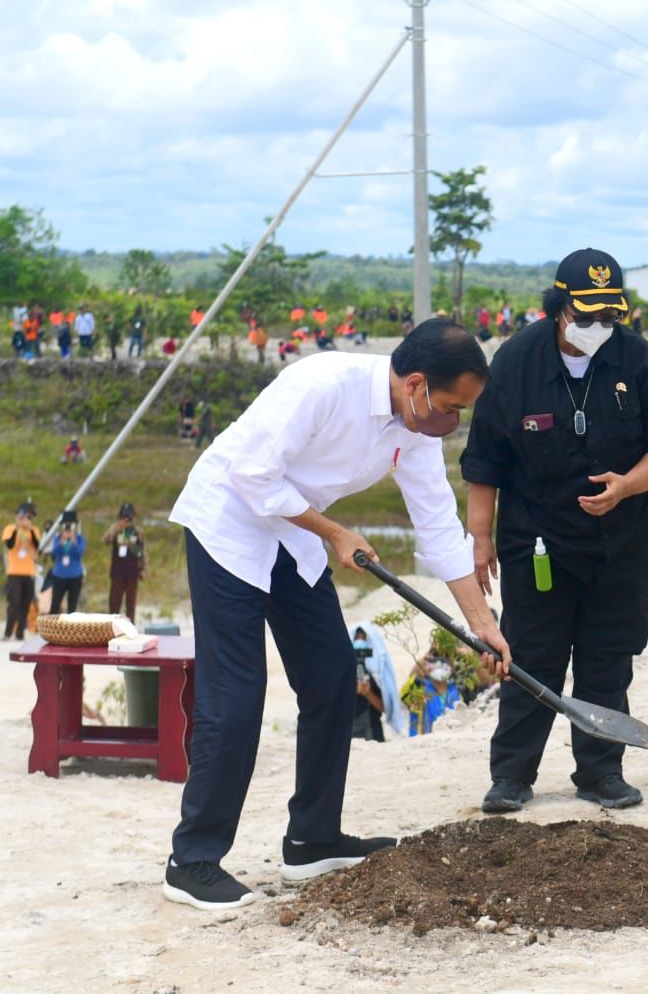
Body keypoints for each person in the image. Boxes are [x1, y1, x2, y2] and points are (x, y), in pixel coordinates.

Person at [161, 318, 508, 911]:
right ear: (417, 383)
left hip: (291, 538)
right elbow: (251, 474)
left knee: (329, 680)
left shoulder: (417, 427)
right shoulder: (322, 384)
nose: (453, 423)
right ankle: (192, 861)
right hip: (229, 527)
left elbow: (438, 526)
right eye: (451, 407)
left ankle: (312, 839)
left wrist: (484, 625)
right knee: (236, 697)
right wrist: (333, 531)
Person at [462, 248, 648, 815]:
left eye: (609, 318)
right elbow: (484, 460)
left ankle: (601, 772)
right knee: (532, 656)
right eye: (585, 317)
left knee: (607, 659)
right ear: (559, 308)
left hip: (624, 542)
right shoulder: (513, 364)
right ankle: (512, 775)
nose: (597, 330)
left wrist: (627, 486)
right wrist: (481, 538)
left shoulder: (635, 359)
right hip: (538, 543)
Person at [1, 502, 41, 643]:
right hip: (14, 571)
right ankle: (8, 632)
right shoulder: (10, 529)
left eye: (31, 517)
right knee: (14, 602)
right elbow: (10, 544)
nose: (28, 519)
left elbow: (37, 545)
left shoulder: (34, 530)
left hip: (29, 571)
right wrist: (18, 527)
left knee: (26, 602)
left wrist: (29, 529)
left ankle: (19, 632)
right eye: (27, 516)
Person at [103, 503, 146, 622]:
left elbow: (142, 551)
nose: (126, 519)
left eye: (129, 517)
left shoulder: (137, 531)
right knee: (114, 602)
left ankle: (130, 628)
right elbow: (106, 540)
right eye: (124, 516)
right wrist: (117, 528)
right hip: (118, 572)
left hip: (132, 572)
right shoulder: (116, 529)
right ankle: (111, 627)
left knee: (131, 605)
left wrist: (143, 569)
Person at [48, 512, 86, 613]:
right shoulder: (58, 538)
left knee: (72, 606)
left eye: (71, 525)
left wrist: (74, 541)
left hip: (75, 576)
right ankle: (52, 627)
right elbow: (55, 552)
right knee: (55, 603)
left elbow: (79, 553)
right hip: (59, 575)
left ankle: (69, 628)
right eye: (66, 525)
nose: (68, 528)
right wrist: (62, 540)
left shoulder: (80, 539)